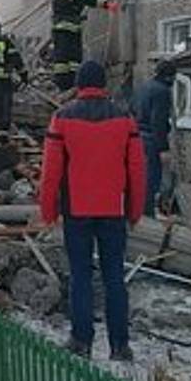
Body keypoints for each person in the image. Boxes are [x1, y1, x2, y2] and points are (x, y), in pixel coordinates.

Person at [39, 60, 146, 361]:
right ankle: (120, 346)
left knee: (81, 276)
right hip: (113, 209)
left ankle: (81, 341)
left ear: (78, 84)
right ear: (103, 85)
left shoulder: (61, 118)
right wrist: (135, 211)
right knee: (114, 277)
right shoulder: (125, 119)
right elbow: (137, 170)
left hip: (77, 210)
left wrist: (48, 211)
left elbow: (51, 172)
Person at [50, 0, 116, 91]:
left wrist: (107, 4)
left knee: (75, 59)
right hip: (61, 31)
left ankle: (73, 83)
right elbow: (64, 0)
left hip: (75, 31)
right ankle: (61, 85)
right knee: (61, 61)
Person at [133, 59, 176, 217]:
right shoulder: (162, 91)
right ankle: (147, 214)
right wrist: (163, 148)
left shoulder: (143, 87)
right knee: (151, 180)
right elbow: (158, 121)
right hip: (151, 140)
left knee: (140, 178)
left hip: (138, 137)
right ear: (169, 77)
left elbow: (132, 110)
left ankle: (139, 212)